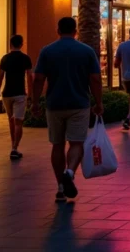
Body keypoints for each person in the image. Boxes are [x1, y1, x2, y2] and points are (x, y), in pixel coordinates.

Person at [32, 17, 103, 202]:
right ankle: (70, 172)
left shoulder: (47, 51)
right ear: (76, 30)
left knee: (57, 145)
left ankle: (61, 188)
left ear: (58, 30)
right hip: (79, 104)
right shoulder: (86, 51)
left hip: (54, 104)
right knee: (77, 143)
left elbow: (38, 78)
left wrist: (34, 102)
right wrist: (99, 102)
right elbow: (95, 79)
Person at [0, 35, 33, 159]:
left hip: (7, 93)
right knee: (18, 122)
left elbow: (0, 76)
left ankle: (13, 145)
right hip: (20, 93)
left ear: (10, 44)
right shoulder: (25, 58)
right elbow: (29, 77)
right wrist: (30, 94)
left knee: (11, 120)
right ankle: (15, 147)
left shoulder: (5, 58)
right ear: (21, 44)